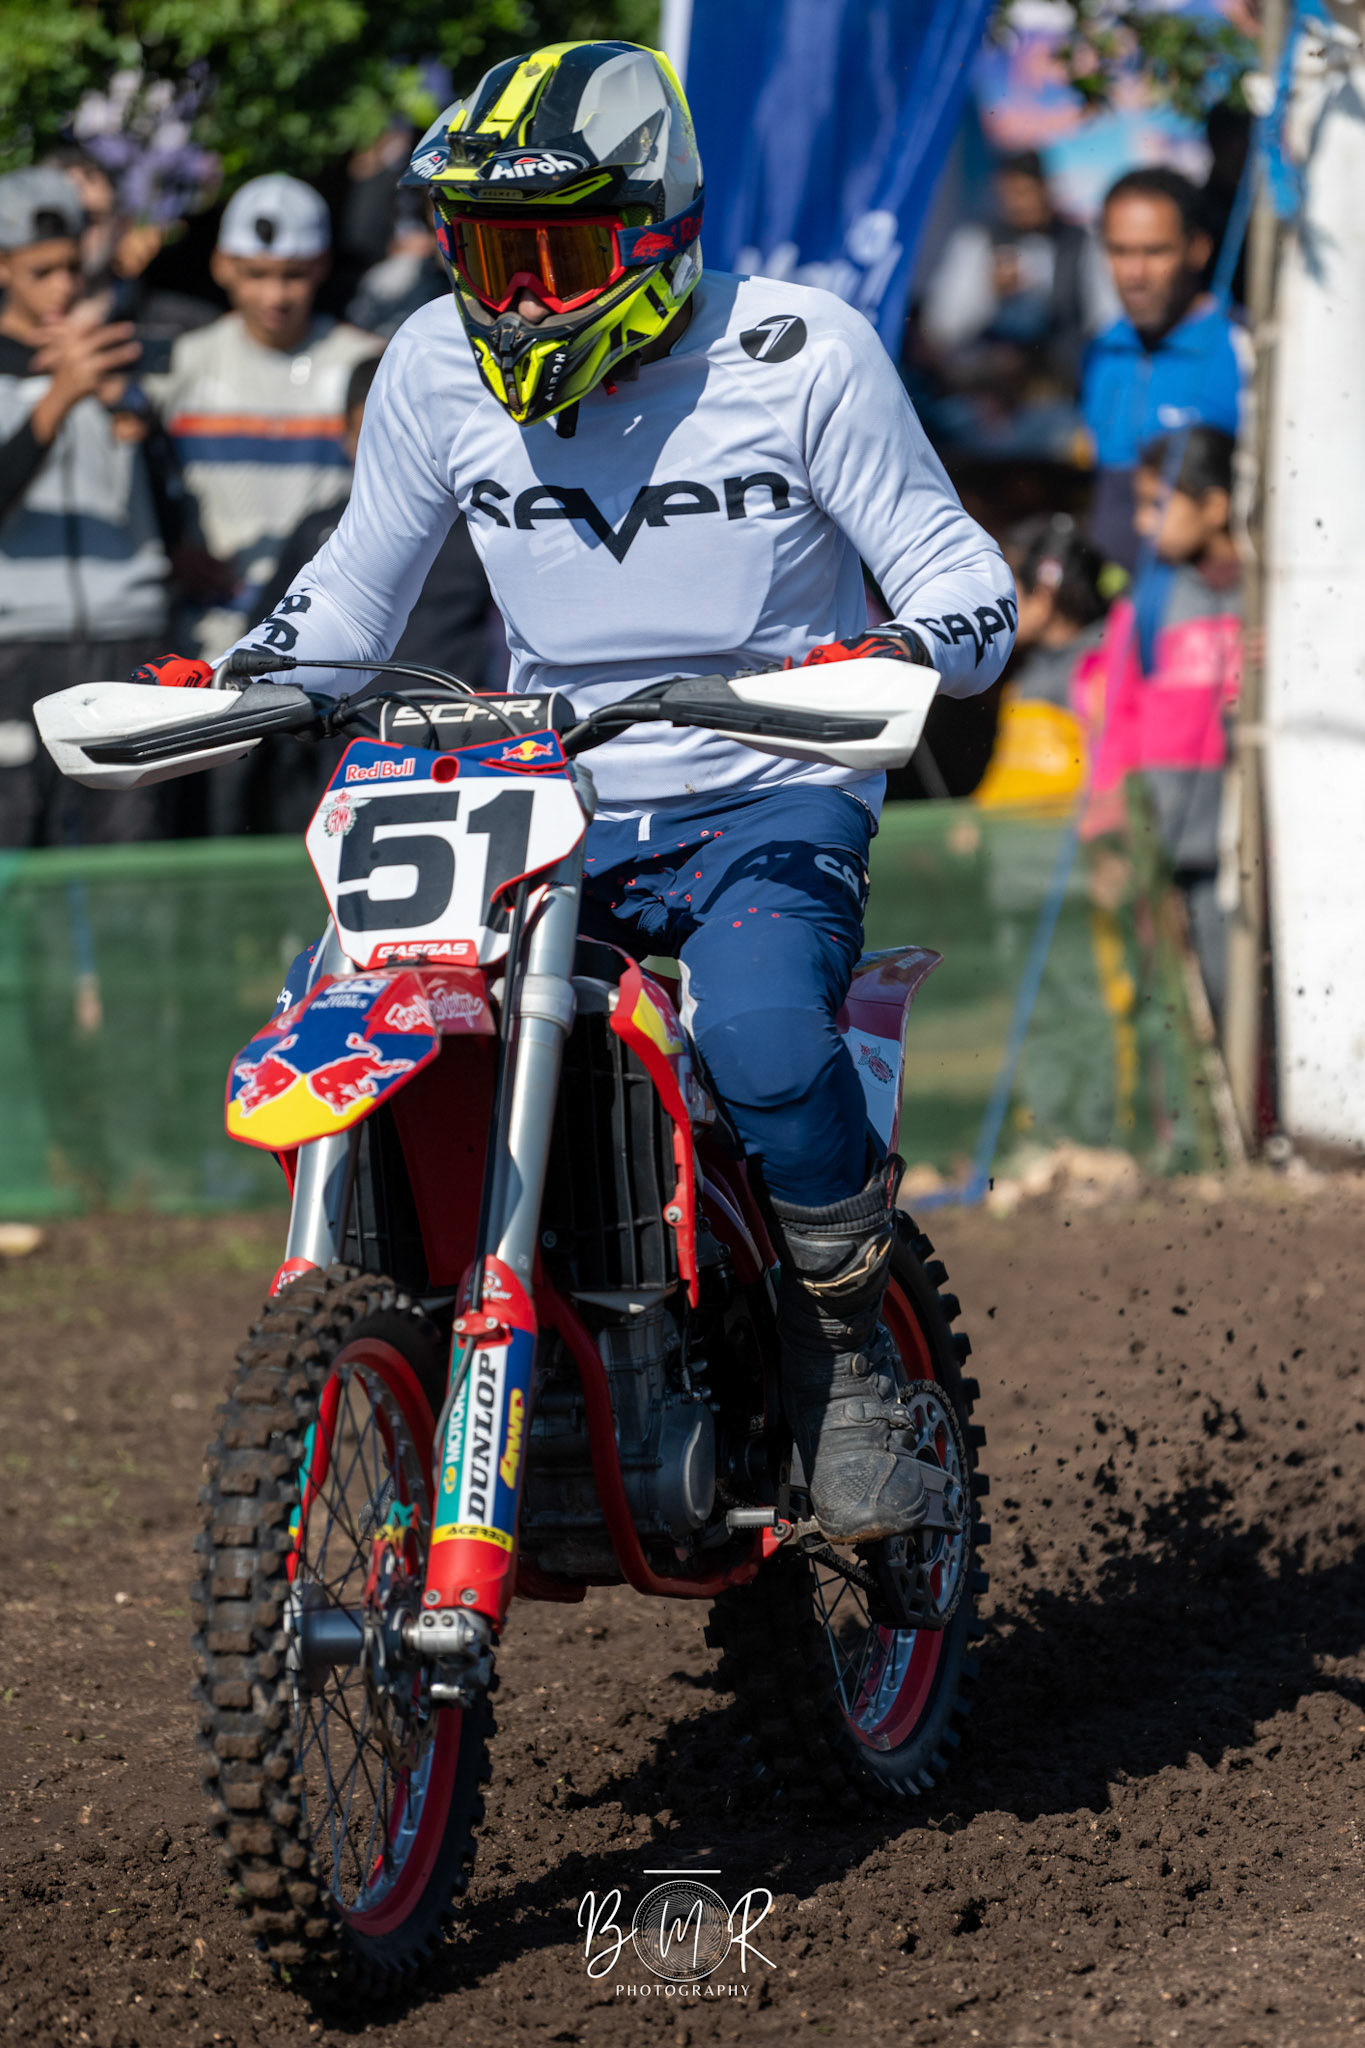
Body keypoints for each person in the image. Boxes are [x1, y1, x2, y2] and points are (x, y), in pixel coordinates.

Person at [136, 42, 1018, 1545]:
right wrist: (242, 677)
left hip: (766, 783)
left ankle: (849, 1358)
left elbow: (962, 577)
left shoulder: (801, 352)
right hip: (539, 793)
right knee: (348, 1003)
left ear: (658, 229)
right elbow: (353, 591)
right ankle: (410, 1332)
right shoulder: (431, 362)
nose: (523, 299)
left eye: (557, 252)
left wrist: (903, 648)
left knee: (758, 1035)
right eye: (489, 254)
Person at [246, 351, 496, 833]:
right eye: (369, 433)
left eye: (398, 432)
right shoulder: (318, 530)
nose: (386, 449)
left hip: (454, 752)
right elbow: (268, 642)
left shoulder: (487, 526)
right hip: (342, 754)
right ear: (344, 435)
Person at [0, 166, 171, 847]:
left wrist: (135, 418)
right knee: (15, 850)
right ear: (3, 267)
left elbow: (171, 505)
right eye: (41, 271)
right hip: (17, 644)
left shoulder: (117, 356)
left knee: (128, 853)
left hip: (126, 631)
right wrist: (58, 397)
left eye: (72, 267)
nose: (63, 288)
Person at [143, 174, 380, 656]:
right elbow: (136, 480)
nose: (275, 296)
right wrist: (169, 549)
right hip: (206, 631)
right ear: (222, 265)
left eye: (293, 275)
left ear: (321, 266)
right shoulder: (180, 365)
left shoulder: (369, 364)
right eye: (256, 274)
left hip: (330, 629)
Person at [1075, 427, 1241, 1021]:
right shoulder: (1147, 603)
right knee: (1191, 1011)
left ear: (1215, 505)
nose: (1143, 523)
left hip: (1249, 848)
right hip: (1169, 852)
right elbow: (1116, 722)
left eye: (1158, 503)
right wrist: (1107, 830)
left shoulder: (1271, 594)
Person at [1082, 168, 1247, 572]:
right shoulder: (1101, 349)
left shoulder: (1243, 349)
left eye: (1155, 252)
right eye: (1119, 251)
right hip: (1115, 595)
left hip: (1209, 602)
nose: (1134, 274)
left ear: (1198, 249)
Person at [922, 150, 1113, 390]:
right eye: (1010, 195)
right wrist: (987, 291)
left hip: (1062, 386)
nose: (1019, 205)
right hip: (990, 391)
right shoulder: (977, 242)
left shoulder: (1082, 243)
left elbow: (1105, 320)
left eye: (1026, 193)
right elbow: (942, 327)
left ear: (1047, 188)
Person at [974, 517, 1108, 809]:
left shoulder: (1101, 666)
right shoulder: (1028, 674)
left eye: (1007, 589)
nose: (992, 604)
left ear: (1044, 594)